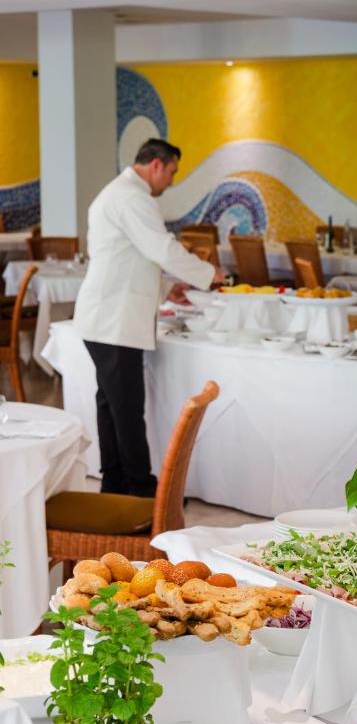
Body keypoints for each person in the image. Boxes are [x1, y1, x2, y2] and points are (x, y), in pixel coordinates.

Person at [73, 138, 222, 496]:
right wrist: (208, 273)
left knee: (111, 406)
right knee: (125, 409)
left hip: (106, 316)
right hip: (113, 319)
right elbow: (161, 249)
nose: (170, 180)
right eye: (171, 172)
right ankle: (140, 492)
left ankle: (115, 483)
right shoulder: (132, 196)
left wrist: (162, 290)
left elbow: (127, 258)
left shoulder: (121, 193)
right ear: (156, 164)